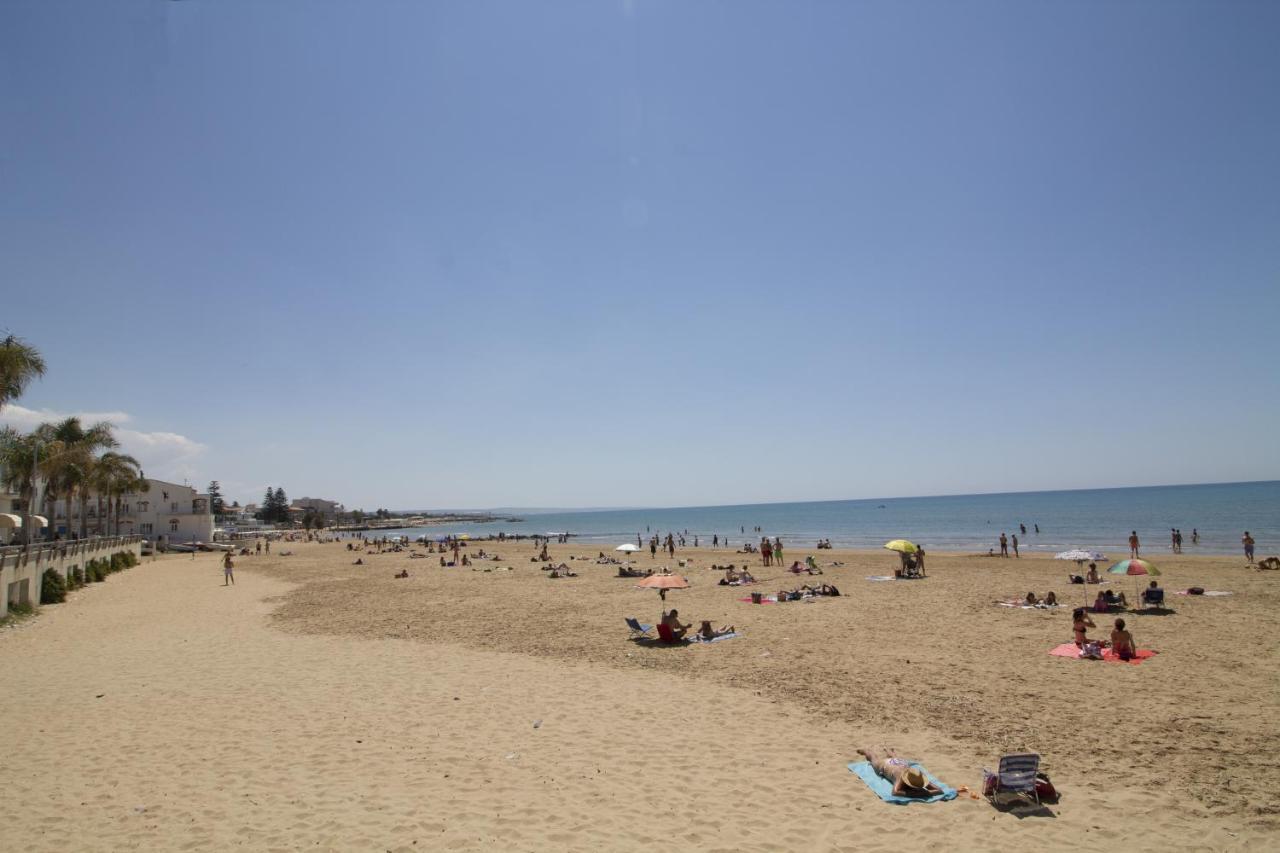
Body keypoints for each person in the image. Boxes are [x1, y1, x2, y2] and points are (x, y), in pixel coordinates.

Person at [856, 746, 943, 798]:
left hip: (900, 763)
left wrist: (926, 792)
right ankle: (867, 751)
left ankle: (889, 751)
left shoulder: (918, 777)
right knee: (873, 759)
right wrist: (915, 794)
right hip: (886, 766)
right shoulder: (901, 778)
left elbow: (939, 790)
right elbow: (895, 792)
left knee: (895, 759)